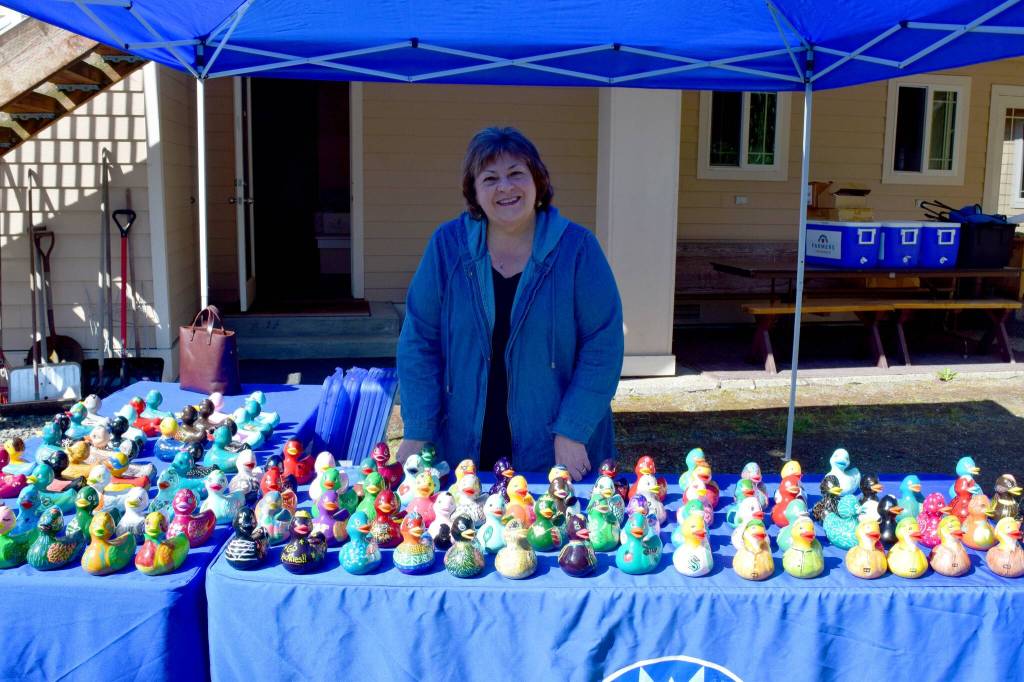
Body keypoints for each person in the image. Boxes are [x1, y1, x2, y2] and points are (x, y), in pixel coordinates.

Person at [395, 126, 623, 481]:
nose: (505, 187)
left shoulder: (577, 248)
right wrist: (419, 428)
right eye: (490, 178)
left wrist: (573, 429)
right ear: (474, 191)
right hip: (462, 446)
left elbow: (603, 344)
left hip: (556, 445)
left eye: (516, 173)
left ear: (538, 182)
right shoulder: (446, 246)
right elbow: (419, 341)